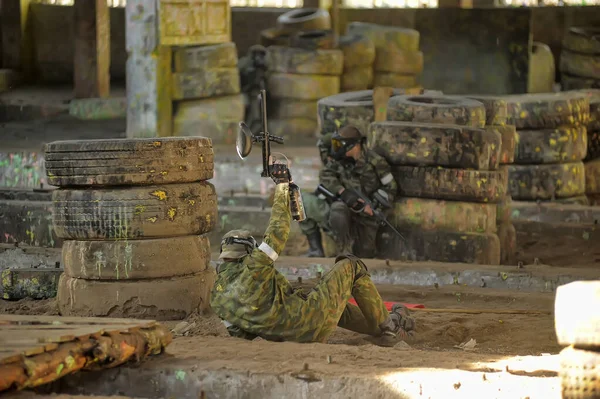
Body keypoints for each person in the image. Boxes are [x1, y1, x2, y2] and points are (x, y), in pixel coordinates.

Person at [210, 162, 415, 345]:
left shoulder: (217, 297)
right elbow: (277, 232)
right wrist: (282, 187)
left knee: (321, 297)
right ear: (247, 251)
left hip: (285, 338)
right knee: (351, 265)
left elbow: (241, 335)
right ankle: (391, 328)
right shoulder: (253, 265)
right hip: (308, 323)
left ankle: (384, 322)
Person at [300, 125, 397, 258]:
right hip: (342, 213)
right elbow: (326, 176)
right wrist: (343, 192)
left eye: (339, 144)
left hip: (366, 217)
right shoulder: (339, 160)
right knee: (328, 207)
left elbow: (391, 187)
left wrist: (373, 205)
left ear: (355, 145)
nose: (336, 148)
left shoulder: (376, 162)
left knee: (364, 254)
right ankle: (337, 250)